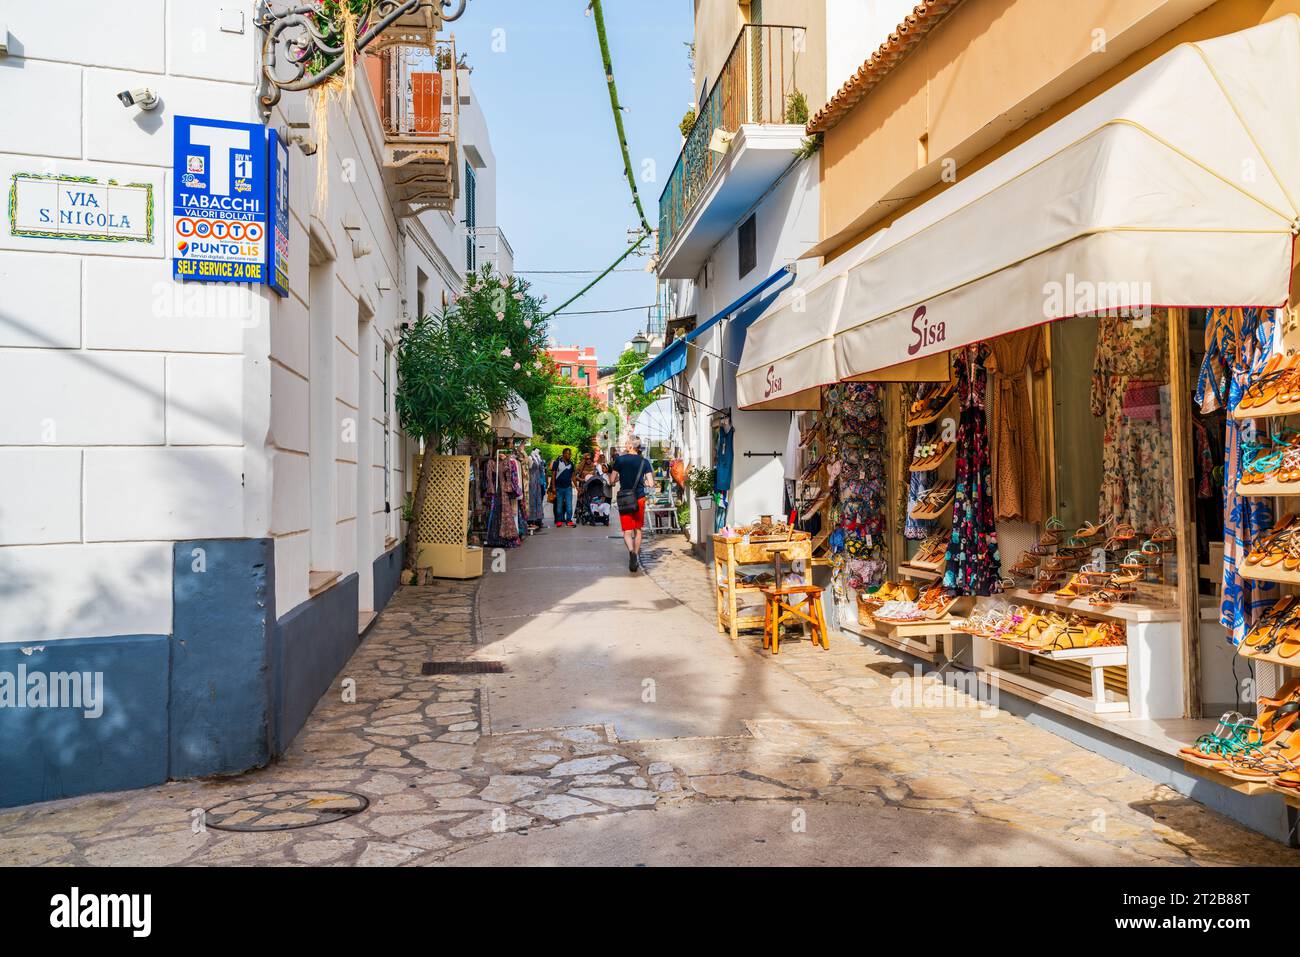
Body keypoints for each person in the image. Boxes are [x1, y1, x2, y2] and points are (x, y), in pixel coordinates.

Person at [610, 437, 653, 572]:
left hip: (625, 499)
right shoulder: (644, 462)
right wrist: (643, 483)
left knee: (627, 531)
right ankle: (636, 552)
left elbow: (612, 480)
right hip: (639, 498)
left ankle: (631, 552)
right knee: (638, 530)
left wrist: (617, 478)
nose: (625, 445)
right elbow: (651, 483)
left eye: (627, 443)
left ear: (630, 446)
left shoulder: (620, 460)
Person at [551, 447, 576, 527]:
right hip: (559, 488)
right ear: (564, 454)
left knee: (569, 505)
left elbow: (573, 476)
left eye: (570, 454)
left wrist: (577, 486)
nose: (569, 455)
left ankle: (569, 520)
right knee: (559, 505)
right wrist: (553, 486)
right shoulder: (557, 462)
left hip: (568, 487)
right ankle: (559, 520)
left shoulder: (571, 464)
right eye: (568, 453)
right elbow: (553, 475)